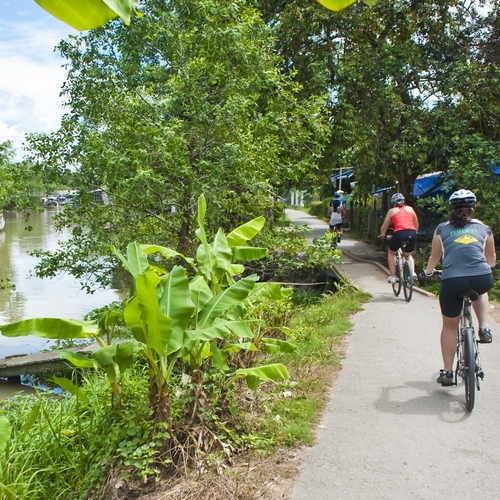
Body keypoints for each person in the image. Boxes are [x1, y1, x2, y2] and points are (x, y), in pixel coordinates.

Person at [424, 189, 496, 386]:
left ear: (451, 209)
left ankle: (447, 372)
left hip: (452, 280)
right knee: (481, 288)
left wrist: (429, 272)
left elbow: (435, 257)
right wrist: (482, 269)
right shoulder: (484, 228)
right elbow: (491, 260)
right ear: (472, 209)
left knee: (449, 326)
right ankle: (484, 328)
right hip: (481, 276)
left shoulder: (441, 229)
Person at [379, 193, 419, 284]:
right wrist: (414, 233)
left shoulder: (391, 211)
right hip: (412, 233)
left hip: (399, 233)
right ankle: (412, 273)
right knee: (408, 254)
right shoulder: (410, 209)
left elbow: (384, 226)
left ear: (393, 203)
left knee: (391, 252)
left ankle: (393, 277)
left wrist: (382, 234)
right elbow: (416, 224)